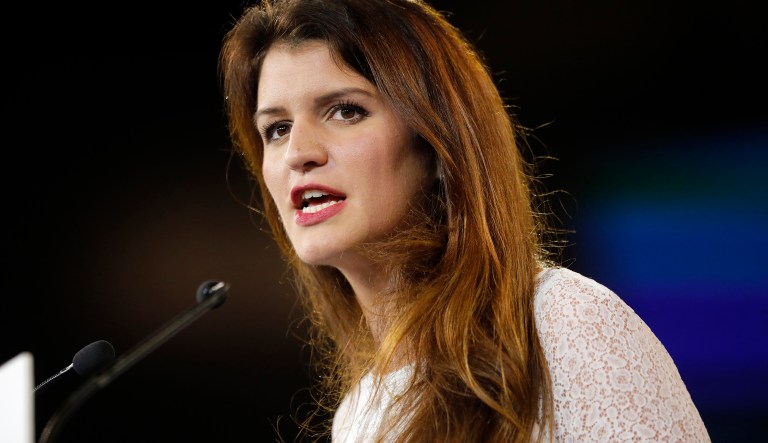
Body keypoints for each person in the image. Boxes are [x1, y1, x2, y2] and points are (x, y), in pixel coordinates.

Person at [218, 0, 711, 441]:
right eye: (276, 129)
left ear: (436, 144)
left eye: (345, 111)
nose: (298, 153)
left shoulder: (561, 323)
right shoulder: (357, 415)